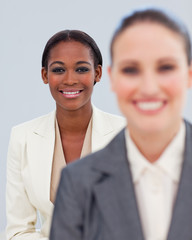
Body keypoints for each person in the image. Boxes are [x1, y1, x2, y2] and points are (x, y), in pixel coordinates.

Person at [50, 8, 192, 240]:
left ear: (188, 74)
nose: (149, 87)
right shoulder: (77, 183)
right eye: (131, 70)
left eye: (165, 67)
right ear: (112, 78)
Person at [6, 30, 126, 240]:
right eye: (59, 69)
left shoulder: (127, 135)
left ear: (97, 73)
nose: (70, 80)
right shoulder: (22, 137)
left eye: (81, 69)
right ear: (45, 75)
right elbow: (17, 231)